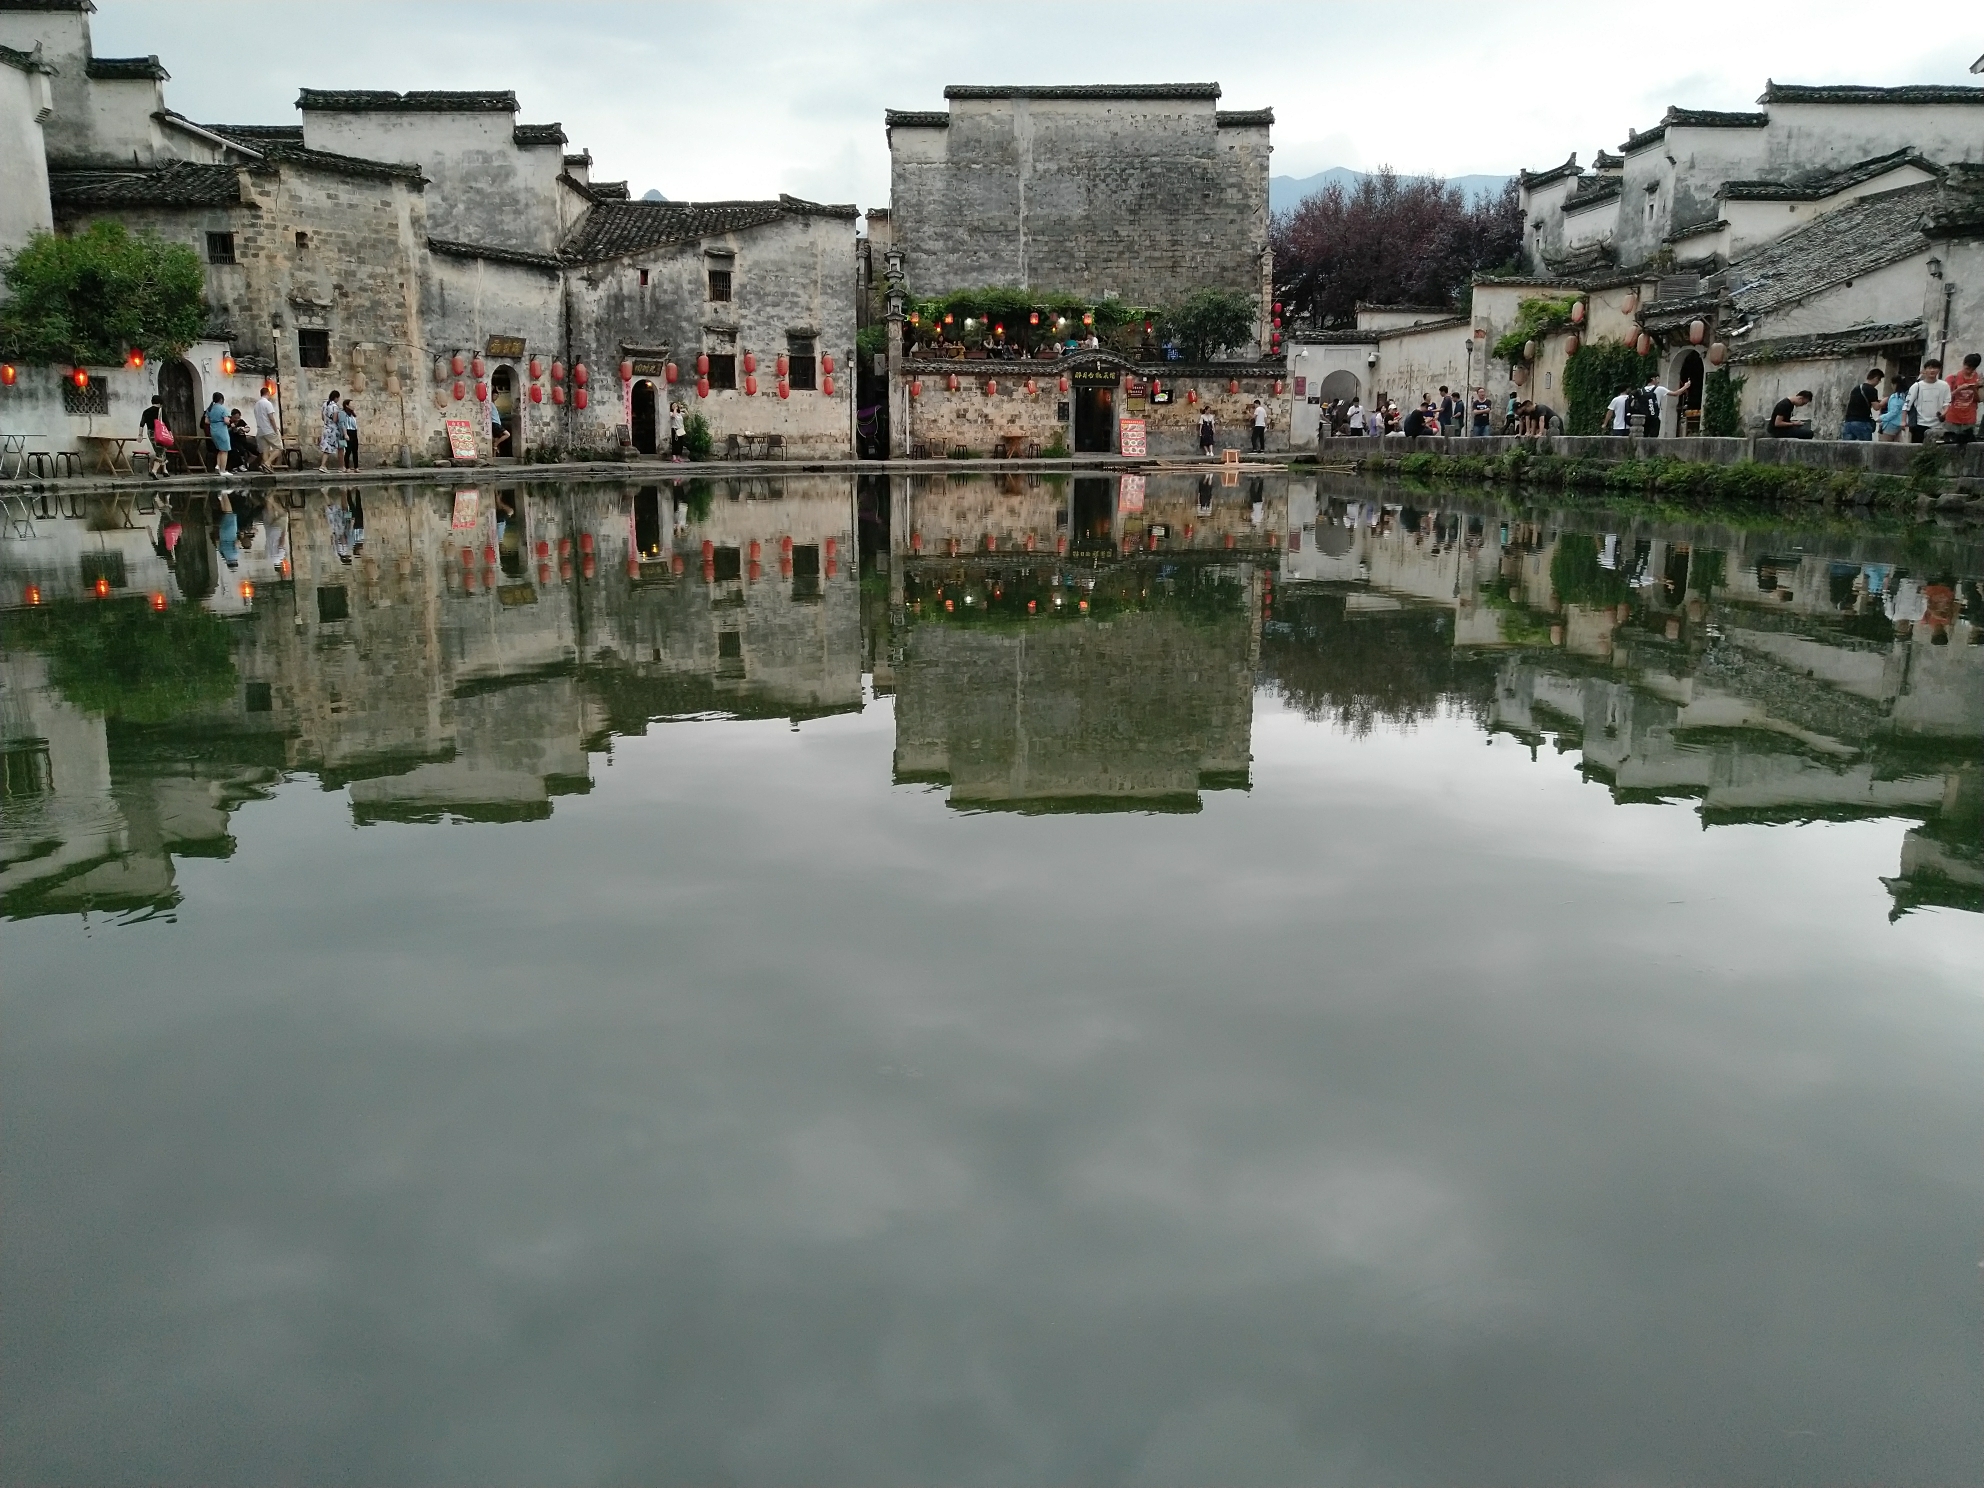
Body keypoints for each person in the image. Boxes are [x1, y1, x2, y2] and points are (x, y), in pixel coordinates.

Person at [1903, 361, 1949, 442]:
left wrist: (1944, 413)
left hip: (1937, 425)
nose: (1932, 370)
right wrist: (1903, 421)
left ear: (1939, 370)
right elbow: (1907, 405)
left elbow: (1947, 402)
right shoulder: (1917, 386)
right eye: (1929, 368)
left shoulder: (1944, 385)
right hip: (1919, 424)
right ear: (1924, 370)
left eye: (1935, 368)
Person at [1942, 352, 1980, 446]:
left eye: (1972, 369)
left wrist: (1974, 389)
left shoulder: (1978, 379)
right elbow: (1945, 398)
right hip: (1953, 417)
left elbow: (1979, 399)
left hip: (1969, 419)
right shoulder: (1952, 378)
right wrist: (1959, 389)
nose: (1969, 371)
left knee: (1968, 446)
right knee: (1950, 445)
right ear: (1963, 364)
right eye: (1967, 368)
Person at [1840, 367, 1883, 441]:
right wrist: (1885, 401)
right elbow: (1876, 407)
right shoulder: (1871, 389)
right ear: (1876, 378)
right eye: (1879, 380)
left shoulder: (1856, 388)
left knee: (1847, 449)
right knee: (1865, 448)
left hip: (1848, 422)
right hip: (1862, 423)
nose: (1878, 382)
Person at [138, 394, 171, 478]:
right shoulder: (161, 410)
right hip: (159, 433)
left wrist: (140, 435)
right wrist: (170, 433)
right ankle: (154, 471)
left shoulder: (146, 411)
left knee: (160, 450)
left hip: (150, 433)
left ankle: (164, 470)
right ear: (160, 402)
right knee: (160, 452)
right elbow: (166, 423)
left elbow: (141, 424)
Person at [253, 384, 280, 469]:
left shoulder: (256, 405)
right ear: (268, 393)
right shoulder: (267, 403)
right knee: (279, 448)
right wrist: (275, 429)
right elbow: (271, 418)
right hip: (269, 429)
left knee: (265, 450)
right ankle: (267, 463)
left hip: (260, 430)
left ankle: (266, 468)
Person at [204, 392, 232, 472]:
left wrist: (214, 422)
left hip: (213, 430)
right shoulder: (223, 409)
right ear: (221, 399)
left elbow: (206, 421)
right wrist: (229, 421)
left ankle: (218, 466)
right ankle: (223, 470)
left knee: (220, 449)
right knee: (225, 450)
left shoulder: (210, 409)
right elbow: (226, 421)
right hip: (221, 430)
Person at [1877, 375, 1910, 442]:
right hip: (1901, 424)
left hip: (1891, 424)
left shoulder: (1895, 397)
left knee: (1884, 446)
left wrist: (1881, 418)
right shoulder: (1907, 396)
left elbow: (1893, 412)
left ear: (1895, 384)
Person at [317, 390, 343, 472]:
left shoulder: (325, 404)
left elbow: (322, 417)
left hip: (326, 428)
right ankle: (323, 465)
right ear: (336, 398)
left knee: (326, 447)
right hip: (333, 429)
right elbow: (335, 419)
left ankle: (324, 465)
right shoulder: (335, 406)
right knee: (328, 448)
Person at [341, 398, 358, 470]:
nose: (353, 405)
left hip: (354, 432)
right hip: (348, 431)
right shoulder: (343, 414)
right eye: (351, 404)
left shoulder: (352, 414)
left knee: (355, 450)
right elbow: (343, 424)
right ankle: (347, 467)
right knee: (348, 450)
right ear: (347, 405)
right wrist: (345, 434)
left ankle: (356, 467)